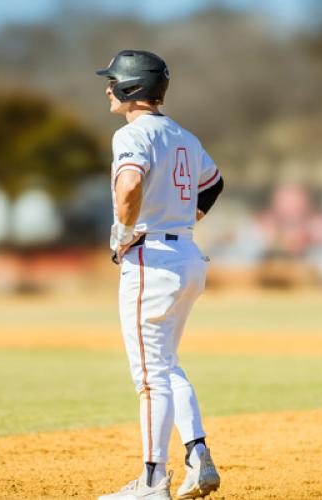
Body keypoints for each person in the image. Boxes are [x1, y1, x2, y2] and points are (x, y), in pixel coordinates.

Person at [96, 50, 223, 500]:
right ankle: (198, 455)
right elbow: (214, 183)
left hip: (150, 260)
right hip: (186, 255)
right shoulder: (184, 135)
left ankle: (151, 482)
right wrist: (183, 220)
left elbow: (129, 185)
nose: (108, 88)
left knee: (149, 377)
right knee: (165, 366)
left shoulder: (132, 134)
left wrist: (123, 232)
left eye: (114, 82)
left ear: (131, 89)